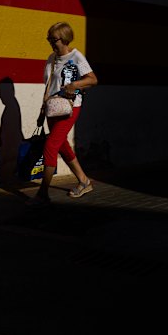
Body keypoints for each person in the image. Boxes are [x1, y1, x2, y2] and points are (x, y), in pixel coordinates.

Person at [26, 22, 98, 206]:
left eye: (54, 39)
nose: (51, 42)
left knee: (50, 146)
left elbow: (93, 79)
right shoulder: (51, 58)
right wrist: (42, 110)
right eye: (49, 39)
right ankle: (84, 181)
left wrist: (75, 85)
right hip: (52, 108)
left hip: (70, 108)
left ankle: (43, 194)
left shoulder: (76, 57)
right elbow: (48, 86)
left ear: (64, 39)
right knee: (62, 145)